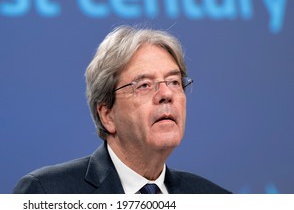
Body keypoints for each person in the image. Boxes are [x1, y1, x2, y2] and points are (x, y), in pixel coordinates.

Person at [13, 25, 231, 194]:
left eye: (174, 82)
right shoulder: (48, 193)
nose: (166, 94)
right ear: (107, 115)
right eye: (144, 85)